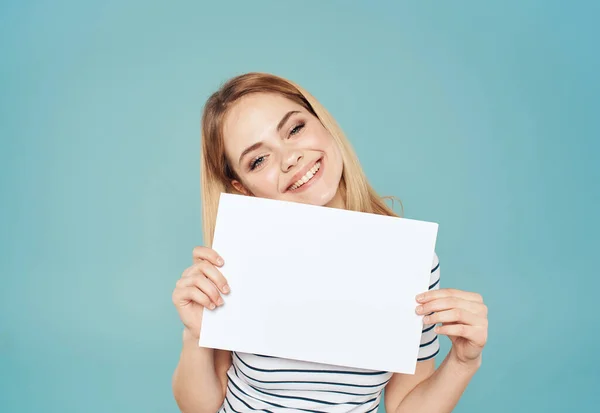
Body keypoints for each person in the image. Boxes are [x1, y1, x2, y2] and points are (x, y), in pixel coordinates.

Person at [171, 72, 488, 413]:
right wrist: (194, 335)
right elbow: (198, 408)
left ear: (323, 123)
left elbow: (404, 408)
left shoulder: (408, 259)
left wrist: (462, 362)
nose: (290, 158)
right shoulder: (236, 256)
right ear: (241, 187)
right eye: (258, 160)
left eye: (295, 129)